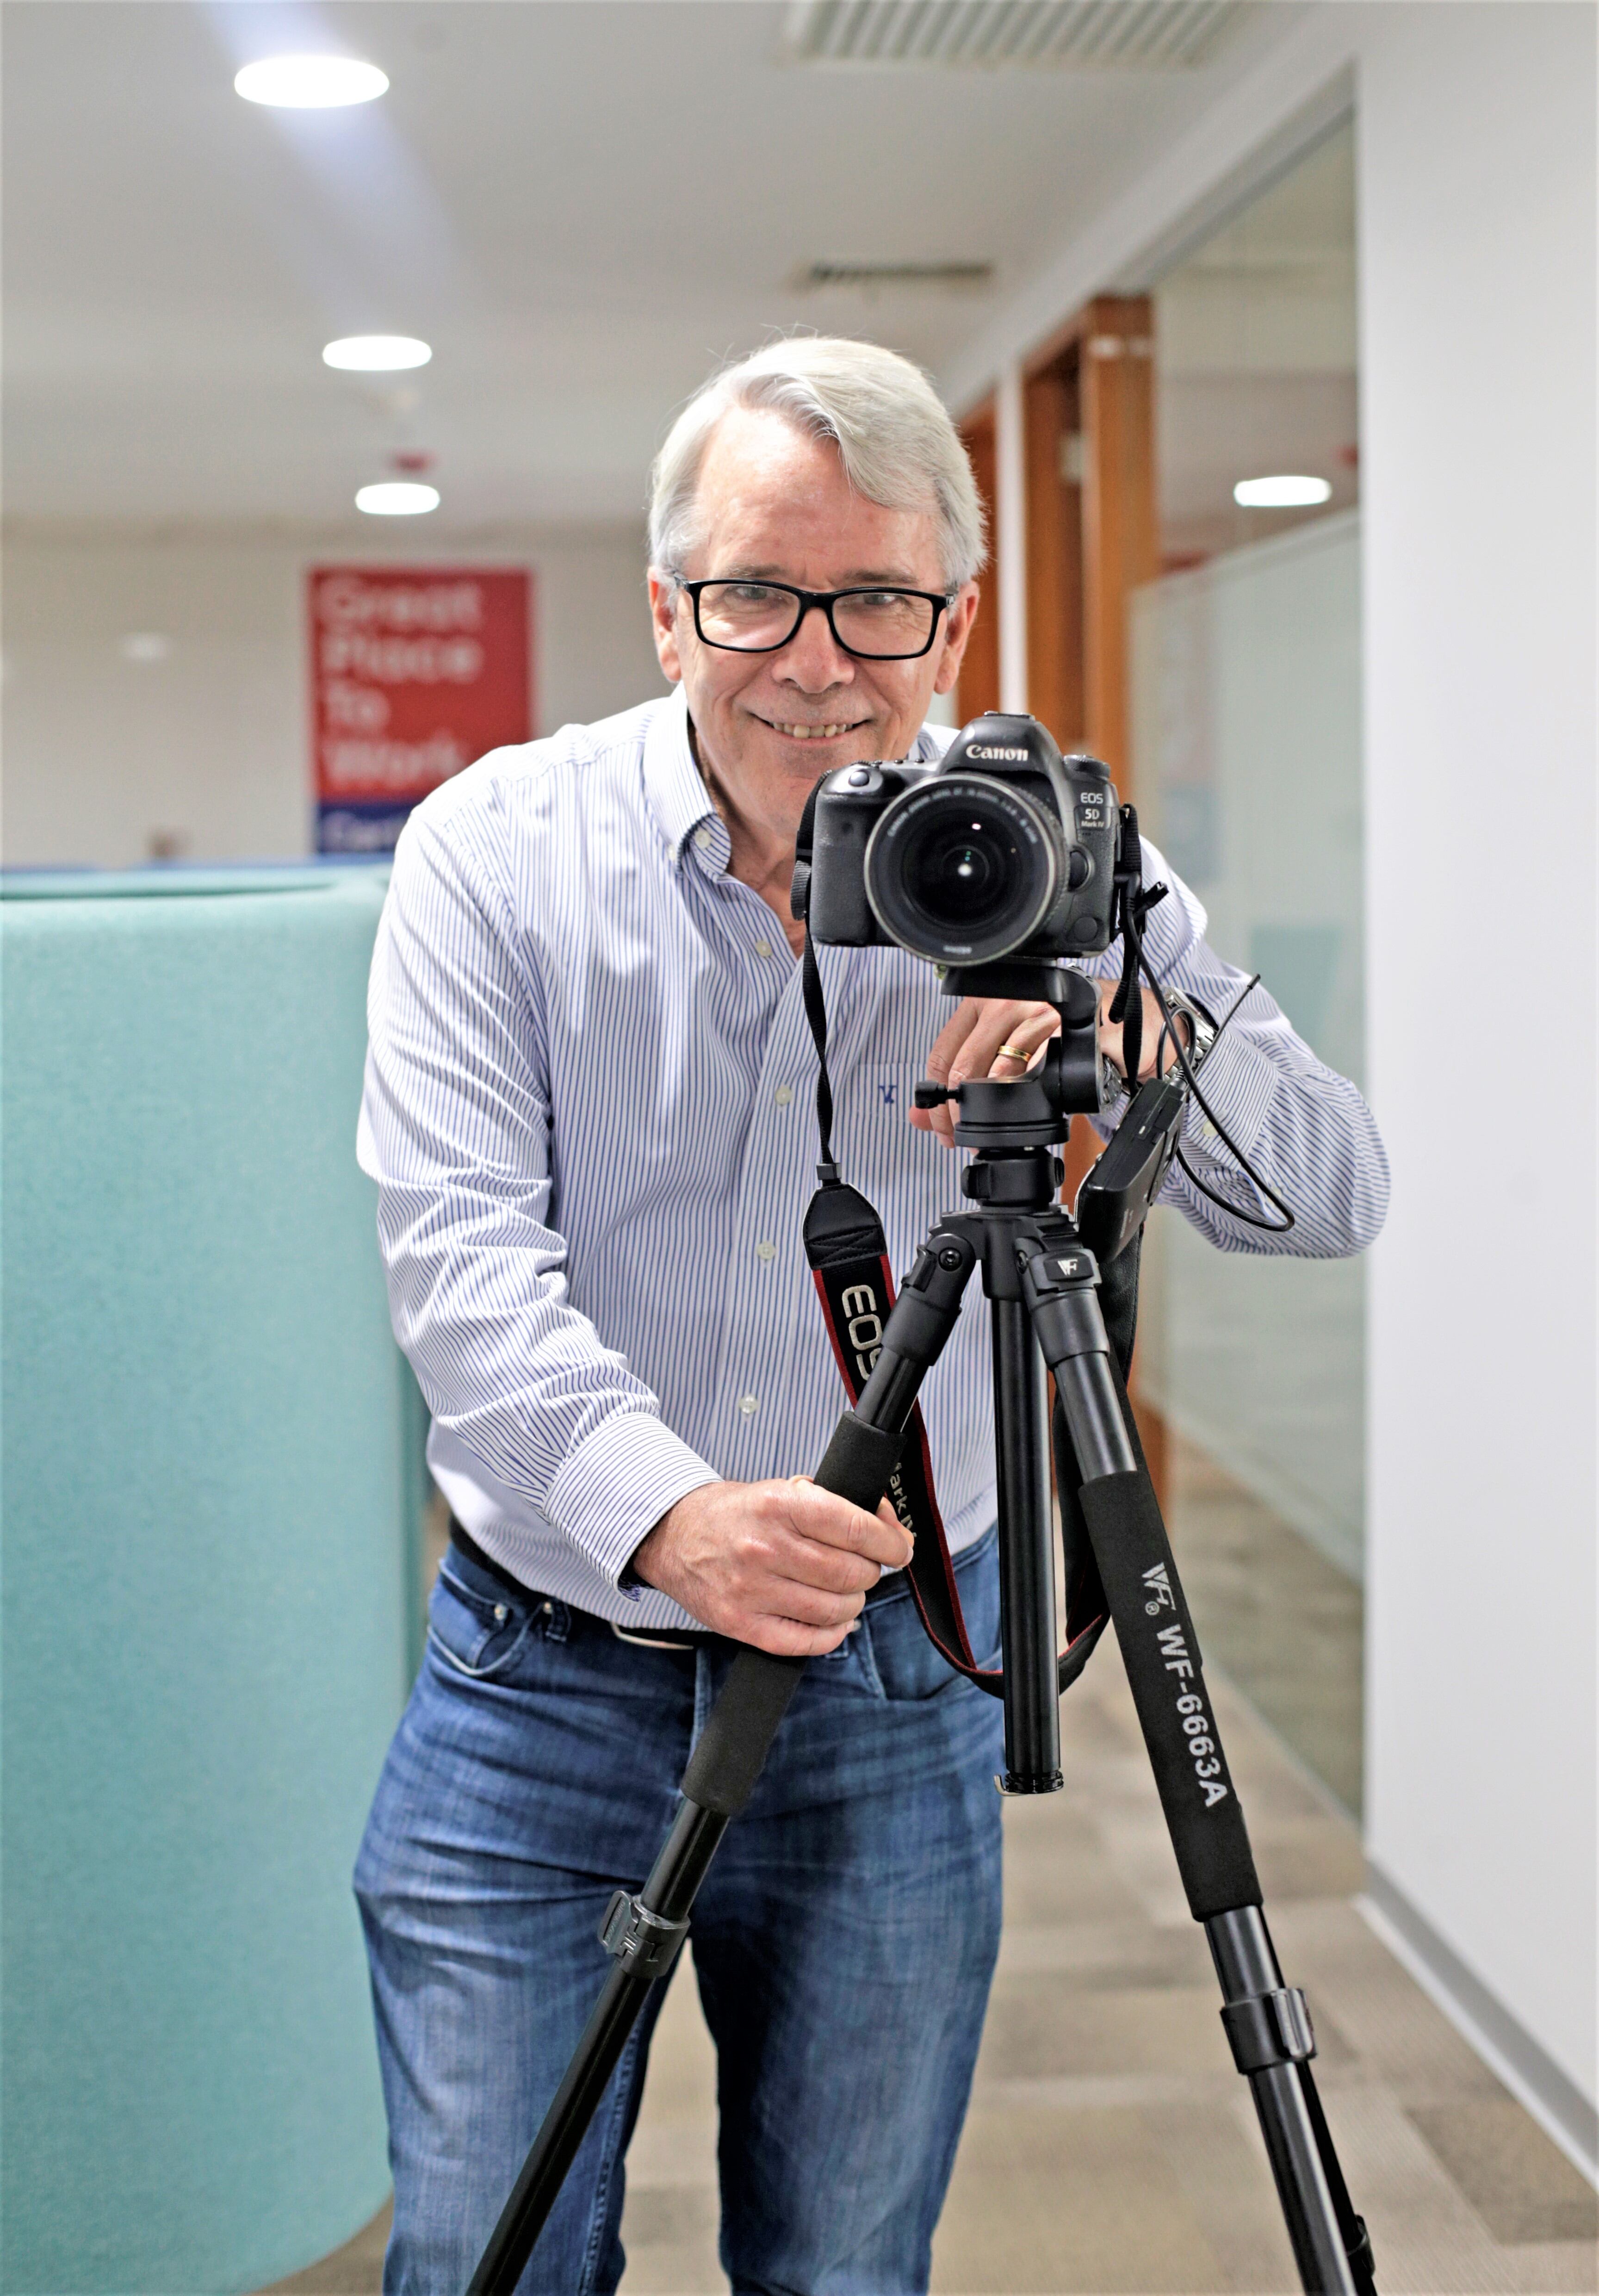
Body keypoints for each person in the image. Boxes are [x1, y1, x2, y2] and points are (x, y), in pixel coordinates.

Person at [353, 335, 1388, 2296]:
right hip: (547, 1669)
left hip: (907, 1673)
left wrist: (1137, 1029)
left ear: (955, 616)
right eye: (755, 590)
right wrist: (673, 1513)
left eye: (879, 599)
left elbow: (1333, 1188)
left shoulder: (1051, 850)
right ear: (668, 609)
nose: (817, 657)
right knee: (486, 2244)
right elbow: (462, 1267)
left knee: (846, 2265)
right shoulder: (497, 855)